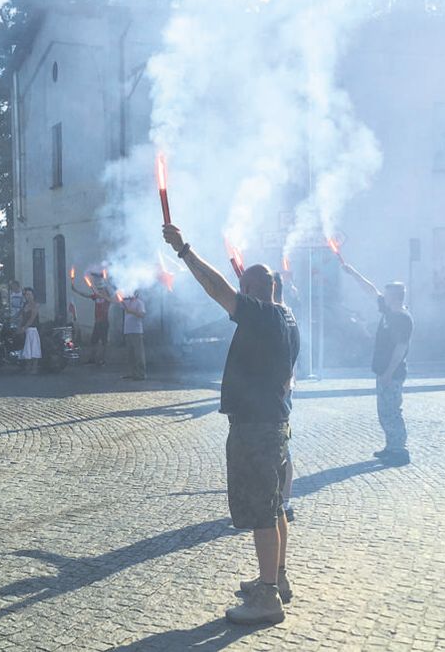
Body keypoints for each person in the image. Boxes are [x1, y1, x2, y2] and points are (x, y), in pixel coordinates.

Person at [164, 223, 296, 625]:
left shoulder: (262, 316)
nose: (238, 297)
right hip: (274, 421)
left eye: (243, 289)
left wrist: (184, 250)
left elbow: (216, 288)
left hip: (257, 427)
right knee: (274, 505)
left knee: (261, 511)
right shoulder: (286, 317)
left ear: (252, 291)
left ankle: (267, 598)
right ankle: (276, 577)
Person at [342, 261, 413, 466]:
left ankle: (400, 451)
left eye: (387, 294)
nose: (383, 296)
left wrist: (389, 372)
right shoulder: (389, 311)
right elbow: (371, 290)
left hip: (393, 373)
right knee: (384, 412)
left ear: (395, 297)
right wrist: (353, 273)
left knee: (392, 411)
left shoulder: (402, 318)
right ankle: (391, 446)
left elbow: (400, 348)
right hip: (383, 371)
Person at [272, 273, 301, 521]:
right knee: (280, 448)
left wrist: (283, 389)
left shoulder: (278, 315)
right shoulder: (287, 312)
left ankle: (283, 502)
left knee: (281, 448)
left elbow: (285, 358)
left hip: (278, 393)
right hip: (284, 389)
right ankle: (282, 500)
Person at [70, 272, 111, 365]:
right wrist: (76, 290)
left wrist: (104, 289)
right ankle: (92, 358)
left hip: (104, 322)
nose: (100, 291)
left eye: (102, 290)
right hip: (97, 322)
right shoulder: (96, 297)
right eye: (99, 290)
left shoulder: (107, 299)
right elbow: (86, 295)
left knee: (104, 342)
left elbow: (109, 296)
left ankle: (103, 359)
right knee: (94, 341)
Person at [120, 289, 146, 380]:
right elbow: (115, 300)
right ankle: (132, 373)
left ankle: (141, 374)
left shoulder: (139, 303)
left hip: (136, 332)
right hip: (128, 331)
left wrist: (131, 311)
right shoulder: (127, 302)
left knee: (138, 354)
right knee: (130, 354)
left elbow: (142, 315)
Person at [18, 287, 41, 373]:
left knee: (33, 348)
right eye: (27, 295)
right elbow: (21, 317)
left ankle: (34, 368)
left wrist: (24, 328)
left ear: (33, 295)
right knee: (26, 348)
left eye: (30, 294)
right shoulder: (25, 305)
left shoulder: (36, 305)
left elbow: (32, 318)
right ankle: (27, 366)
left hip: (32, 329)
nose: (28, 296)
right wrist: (19, 326)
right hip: (24, 328)